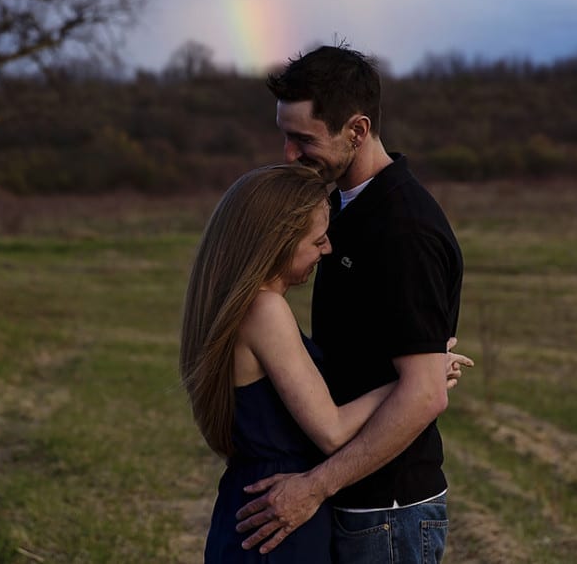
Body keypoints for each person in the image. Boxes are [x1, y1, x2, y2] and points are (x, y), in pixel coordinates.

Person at [234, 45, 466, 564]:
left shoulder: (405, 230)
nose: (289, 153)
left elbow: (425, 395)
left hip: (386, 511)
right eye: (285, 135)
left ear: (357, 131)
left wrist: (314, 486)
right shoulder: (340, 208)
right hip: (355, 499)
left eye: (303, 139)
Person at [180, 164, 469, 563]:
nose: (328, 249)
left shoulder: (236, 306)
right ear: (279, 241)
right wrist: (417, 378)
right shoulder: (265, 311)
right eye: (317, 240)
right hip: (280, 514)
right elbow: (331, 431)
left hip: (256, 501)